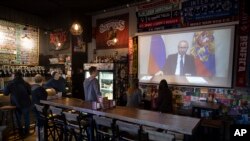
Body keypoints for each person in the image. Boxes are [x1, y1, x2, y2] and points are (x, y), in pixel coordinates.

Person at [3, 70, 32, 136]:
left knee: (18, 119)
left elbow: (5, 93)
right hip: (26, 103)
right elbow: (30, 92)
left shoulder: (10, 83)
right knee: (26, 118)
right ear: (21, 76)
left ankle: (21, 133)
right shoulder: (25, 83)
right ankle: (27, 132)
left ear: (14, 75)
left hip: (16, 104)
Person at [83, 66, 101, 141]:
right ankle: (97, 137)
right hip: (94, 104)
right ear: (93, 72)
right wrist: (102, 102)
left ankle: (90, 137)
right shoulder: (95, 80)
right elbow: (98, 93)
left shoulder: (85, 80)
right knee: (96, 121)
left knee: (90, 121)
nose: (98, 72)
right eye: (97, 71)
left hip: (87, 103)